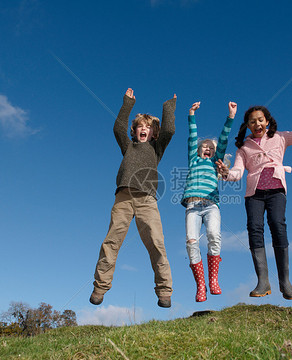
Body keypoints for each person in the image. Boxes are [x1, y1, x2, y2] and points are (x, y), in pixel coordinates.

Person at [216, 86, 292, 300]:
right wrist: (226, 173)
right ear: (248, 125)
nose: (257, 124)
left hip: (275, 190)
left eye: (260, 120)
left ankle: (285, 282)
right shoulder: (244, 148)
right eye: (253, 121)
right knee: (255, 230)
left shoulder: (281, 138)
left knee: (278, 226)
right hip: (254, 194)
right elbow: (237, 172)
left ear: (267, 121)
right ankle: (263, 281)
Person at [90, 88, 176, 308]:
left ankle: (164, 291)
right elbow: (118, 127)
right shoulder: (128, 146)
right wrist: (127, 103)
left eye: (148, 128)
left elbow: (169, 130)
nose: (144, 130)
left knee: (156, 242)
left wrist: (169, 107)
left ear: (153, 133)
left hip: (147, 199)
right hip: (124, 198)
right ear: (135, 130)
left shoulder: (156, 149)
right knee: (111, 241)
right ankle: (100, 287)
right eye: (140, 127)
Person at [182, 100, 236, 302]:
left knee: (214, 235)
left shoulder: (215, 163)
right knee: (191, 242)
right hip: (193, 206)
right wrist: (192, 115)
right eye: (203, 147)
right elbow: (192, 137)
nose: (206, 148)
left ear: (214, 153)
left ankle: (213, 280)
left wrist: (230, 117)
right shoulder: (193, 160)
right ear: (198, 151)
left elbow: (223, 140)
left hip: (211, 205)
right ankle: (200, 286)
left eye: (210, 148)